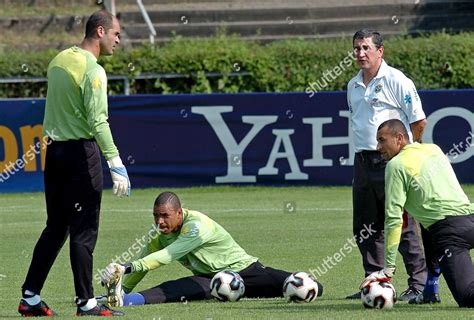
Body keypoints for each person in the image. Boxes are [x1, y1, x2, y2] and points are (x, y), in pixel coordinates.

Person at [18, 10, 130, 317]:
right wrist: (115, 161)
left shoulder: (58, 60)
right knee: (83, 230)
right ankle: (86, 303)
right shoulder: (93, 70)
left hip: (54, 155)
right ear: (99, 32)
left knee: (56, 227)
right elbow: (98, 121)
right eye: (116, 33)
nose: (118, 39)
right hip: (81, 155)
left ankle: (30, 296)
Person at [100, 192, 323, 306]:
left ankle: (315, 288)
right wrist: (123, 288)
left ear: (179, 213)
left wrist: (125, 267)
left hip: (246, 271)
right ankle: (127, 300)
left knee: (297, 285)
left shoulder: (197, 226)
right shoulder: (159, 232)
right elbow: (145, 261)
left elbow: (168, 255)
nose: (160, 221)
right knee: (174, 289)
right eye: (156, 215)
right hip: (210, 279)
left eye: (165, 215)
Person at [346, 29, 432, 302]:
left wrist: (408, 155)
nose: (360, 53)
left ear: (380, 51)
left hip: (392, 162)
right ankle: (374, 282)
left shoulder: (397, 80)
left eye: (365, 48)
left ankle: (418, 285)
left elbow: (418, 121)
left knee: (402, 223)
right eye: (357, 48)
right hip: (362, 161)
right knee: (365, 225)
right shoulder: (352, 85)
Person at [361, 119, 474, 308]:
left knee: (469, 298)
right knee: (428, 225)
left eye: (382, 140)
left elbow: (394, 219)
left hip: (451, 234)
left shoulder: (395, 165)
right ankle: (430, 290)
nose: (378, 147)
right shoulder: (433, 149)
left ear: (399, 138)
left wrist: (388, 267)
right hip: (470, 218)